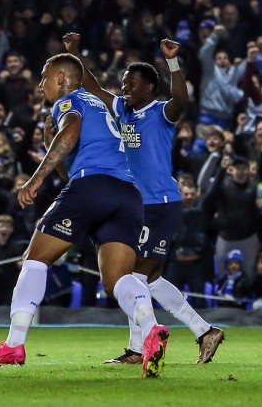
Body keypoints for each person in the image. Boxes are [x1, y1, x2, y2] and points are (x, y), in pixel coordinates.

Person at [0, 53, 170, 378]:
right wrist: (48, 142)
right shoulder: (100, 105)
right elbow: (76, 164)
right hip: (127, 195)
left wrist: (35, 179)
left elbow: (71, 136)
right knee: (117, 280)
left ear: (62, 79)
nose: (40, 86)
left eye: (44, 77)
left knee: (34, 260)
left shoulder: (69, 102)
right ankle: (151, 330)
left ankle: (13, 344)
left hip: (93, 186)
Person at [63, 32, 225, 365]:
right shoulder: (123, 109)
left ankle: (140, 348)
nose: (125, 89)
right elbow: (94, 89)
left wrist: (172, 61)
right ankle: (204, 331)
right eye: (124, 83)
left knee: (133, 277)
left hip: (160, 204)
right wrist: (77, 53)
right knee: (146, 279)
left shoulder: (161, 112)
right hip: (135, 206)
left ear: (148, 87)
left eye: (131, 84)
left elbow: (182, 100)